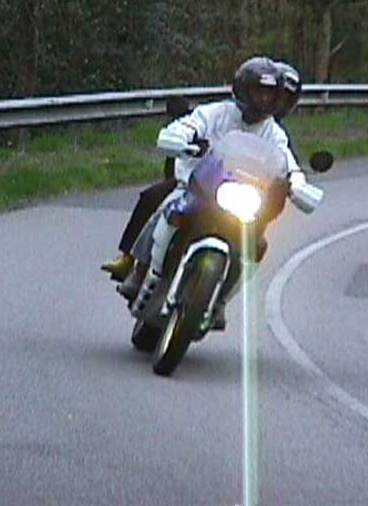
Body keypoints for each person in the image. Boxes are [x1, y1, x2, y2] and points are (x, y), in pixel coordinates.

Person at [118, 56, 316, 323]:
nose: (263, 99)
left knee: (257, 245)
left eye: (270, 94)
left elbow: (286, 162)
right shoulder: (217, 112)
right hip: (199, 187)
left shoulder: (274, 132)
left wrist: (298, 184)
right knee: (169, 207)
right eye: (259, 91)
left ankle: (220, 299)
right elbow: (189, 125)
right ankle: (142, 270)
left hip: (242, 197)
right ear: (243, 88)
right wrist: (178, 136)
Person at [101, 96, 189, 281]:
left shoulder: (222, 127)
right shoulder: (190, 128)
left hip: (217, 188)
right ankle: (129, 258)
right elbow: (170, 172)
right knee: (150, 198)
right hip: (186, 182)